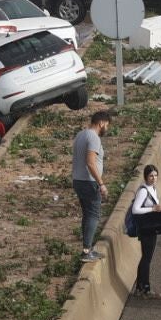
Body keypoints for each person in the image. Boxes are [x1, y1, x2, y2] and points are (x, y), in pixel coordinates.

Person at [72, 110, 111, 262]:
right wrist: (101, 183)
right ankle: (87, 251)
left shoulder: (81, 134)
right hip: (89, 182)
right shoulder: (94, 137)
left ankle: (86, 248)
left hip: (78, 180)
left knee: (87, 215)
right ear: (101, 123)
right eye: (106, 125)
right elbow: (90, 162)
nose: (106, 128)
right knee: (94, 215)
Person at [130, 164, 161, 299]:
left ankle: (140, 287)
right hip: (146, 228)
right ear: (145, 177)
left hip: (150, 227)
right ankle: (145, 288)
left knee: (146, 257)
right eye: (151, 176)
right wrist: (152, 209)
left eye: (155, 175)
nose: (154, 178)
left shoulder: (152, 188)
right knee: (146, 258)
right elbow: (135, 209)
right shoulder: (144, 190)